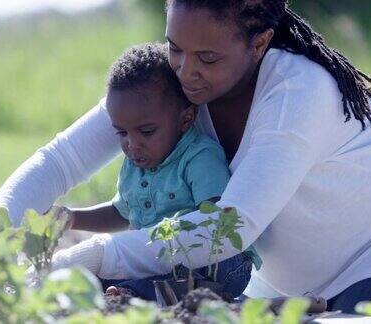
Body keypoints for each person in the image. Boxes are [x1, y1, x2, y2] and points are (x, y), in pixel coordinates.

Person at [0, 0, 371, 313]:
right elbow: (61, 160)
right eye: (175, 47)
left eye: (208, 57)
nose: (185, 71)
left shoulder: (296, 91)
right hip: (311, 272)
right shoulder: (172, 85)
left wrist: (94, 254)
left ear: (260, 42)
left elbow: (230, 227)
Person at [31, 42, 254, 300]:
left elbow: (214, 223)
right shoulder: (136, 164)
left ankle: (136, 294)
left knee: (184, 274)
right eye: (122, 133)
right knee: (97, 272)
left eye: (146, 132)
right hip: (154, 261)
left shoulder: (199, 156)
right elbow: (121, 213)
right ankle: (127, 290)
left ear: (185, 119)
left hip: (217, 262)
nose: (132, 144)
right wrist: (72, 218)